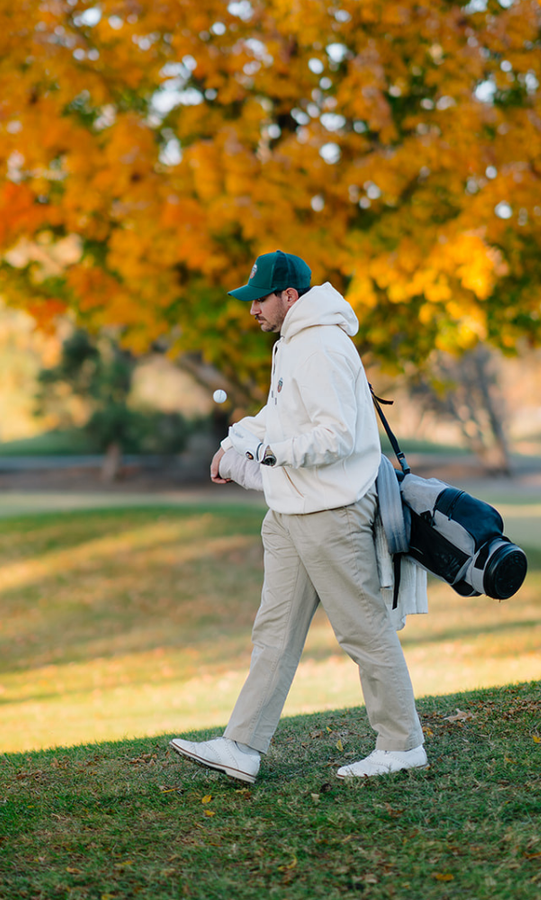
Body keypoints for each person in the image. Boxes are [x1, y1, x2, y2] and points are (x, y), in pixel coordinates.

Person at [169, 250, 426, 783]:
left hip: (330, 512)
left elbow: (333, 435)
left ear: (290, 296)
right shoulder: (292, 343)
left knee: (363, 632)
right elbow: (281, 415)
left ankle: (402, 745)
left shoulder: (322, 344)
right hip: (290, 510)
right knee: (274, 635)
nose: (251, 311)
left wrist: (267, 454)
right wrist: (236, 441)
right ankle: (241, 746)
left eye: (259, 299)